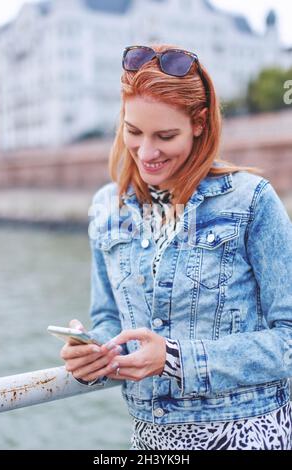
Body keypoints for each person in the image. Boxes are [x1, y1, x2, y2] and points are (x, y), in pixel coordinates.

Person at [60, 44, 292, 450]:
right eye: (133, 132)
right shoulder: (106, 208)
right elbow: (110, 318)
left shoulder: (251, 201)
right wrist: (93, 354)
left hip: (247, 435)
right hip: (151, 440)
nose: (146, 152)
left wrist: (175, 357)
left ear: (200, 123)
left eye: (165, 136)